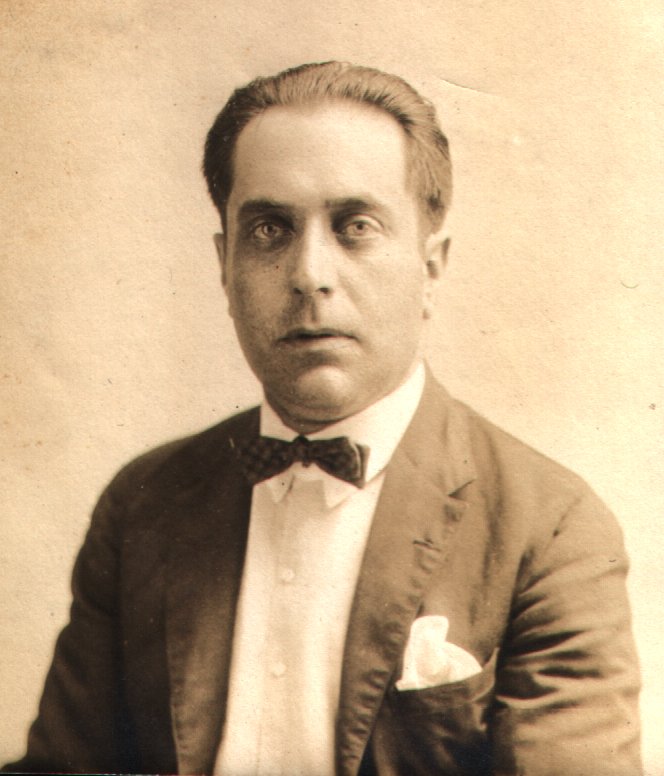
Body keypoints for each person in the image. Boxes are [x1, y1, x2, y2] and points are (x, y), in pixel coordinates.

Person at [4, 61, 641, 776]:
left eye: (356, 227)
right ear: (225, 267)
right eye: (269, 230)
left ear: (431, 266)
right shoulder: (144, 503)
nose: (310, 274)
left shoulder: (549, 526)